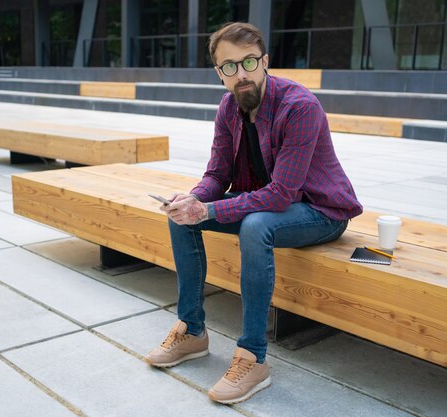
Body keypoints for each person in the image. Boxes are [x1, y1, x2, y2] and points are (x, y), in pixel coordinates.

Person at [145, 22, 363, 404]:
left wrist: (209, 209)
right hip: (267, 205)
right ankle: (192, 332)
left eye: (248, 62)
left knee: (255, 224)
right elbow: (217, 174)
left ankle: (253, 358)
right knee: (180, 215)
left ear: (265, 61)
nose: (240, 74)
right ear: (219, 73)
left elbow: (281, 195)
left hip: (320, 210)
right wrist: (193, 199)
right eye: (229, 66)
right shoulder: (229, 107)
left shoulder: (300, 106)